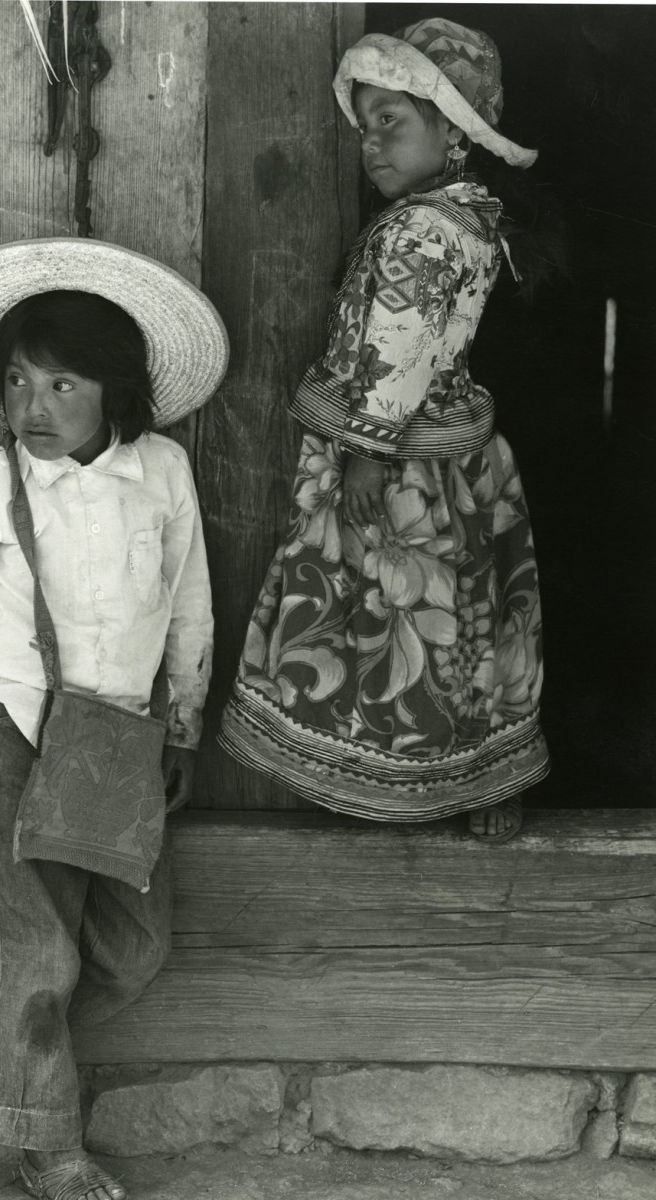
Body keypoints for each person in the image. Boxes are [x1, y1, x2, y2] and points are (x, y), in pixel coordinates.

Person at [0, 239, 228, 1200]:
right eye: (18, 382)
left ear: (114, 387)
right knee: (39, 949)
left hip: (123, 742)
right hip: (19, 738)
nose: (33, 407)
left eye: (62, 382)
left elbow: (190, 606)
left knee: (131, 951)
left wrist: (186, 728)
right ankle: (49, 1150)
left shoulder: (163, 473)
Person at [219, 18, 550, 842]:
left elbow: (398, 348)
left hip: (401, 468)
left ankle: (391, 775)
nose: (371, 143)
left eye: (391, 122)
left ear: (454, 132)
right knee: (464, 618)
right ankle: (474, 774)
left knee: (394, 613)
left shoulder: (418, 230)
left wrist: (364, 453)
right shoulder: (467, 220)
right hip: (451, 458)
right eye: (365, 125)